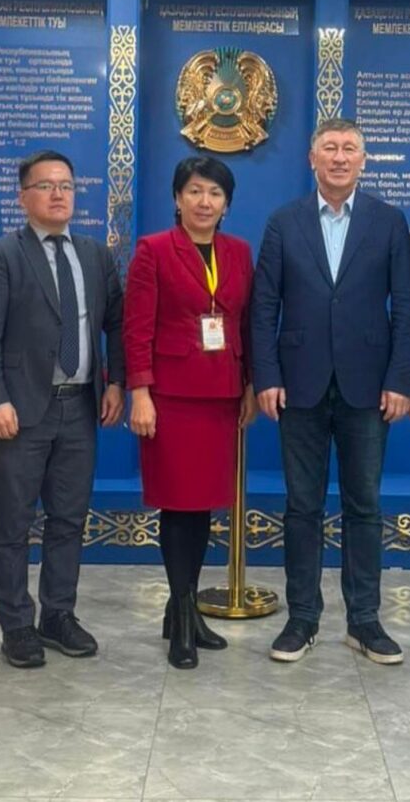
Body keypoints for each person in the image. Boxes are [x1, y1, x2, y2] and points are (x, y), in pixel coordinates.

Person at [252, 118, 410, 665]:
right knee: (301, 506)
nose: (340, 157)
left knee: (364, 505)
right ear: (312, 159)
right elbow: (264, 306)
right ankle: (302, 618)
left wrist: (399, 379)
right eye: (330, 148)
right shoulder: (284, 222)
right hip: (298, 384)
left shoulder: (389, 222)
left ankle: (364, 620)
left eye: (350, 149)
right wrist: (267, 375)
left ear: (363, 161)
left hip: (368, 387)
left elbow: (407, 308)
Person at [0, 150, 125, 668]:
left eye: (66, 185)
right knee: (13, 523)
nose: (59, 194)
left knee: (68, 519)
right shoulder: (2, 254)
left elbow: (116, 323)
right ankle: (16, 624)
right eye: (46, 186)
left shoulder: (95, 255)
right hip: (20, 410)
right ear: (23, 197)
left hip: (79, 407)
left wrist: (116, 382)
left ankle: (58, 615)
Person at [124, 156, 255, 670]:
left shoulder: (238, 252)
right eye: (195, 191)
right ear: (177, 198)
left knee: (201, 507)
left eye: (215, 193)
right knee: (178, 506)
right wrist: (140, 391)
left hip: (221, 395)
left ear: (227, 204)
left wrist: (250, 384)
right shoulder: (153, 250)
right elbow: (137, 327)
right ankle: (181, 616)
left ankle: (187, 607)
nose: (205, 202)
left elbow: (247, 323)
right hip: (170, 397)